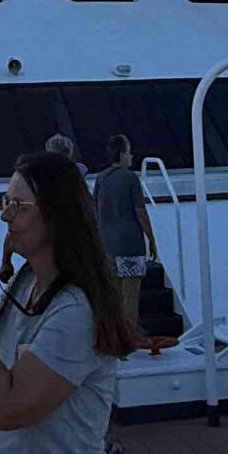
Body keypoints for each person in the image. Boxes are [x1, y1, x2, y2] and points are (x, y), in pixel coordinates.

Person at [0, 151, 140, 454]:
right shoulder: (26, 282)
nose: (6, 216)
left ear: (56, 215)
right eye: (6, 202)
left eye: (19, 206)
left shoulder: (75, 311)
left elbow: (1, 412)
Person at [91, 135, 155, 322]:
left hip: (107, 245)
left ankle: (114, 338)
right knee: (130, 295)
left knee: (113, 295)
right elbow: (140, 213)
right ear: (122, 154)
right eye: (128, 152)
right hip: (130, 244)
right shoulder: (131, 179)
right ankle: (130, 336)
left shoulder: (101, 178)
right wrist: (151, 239)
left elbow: (95, 210)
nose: (132, 156)